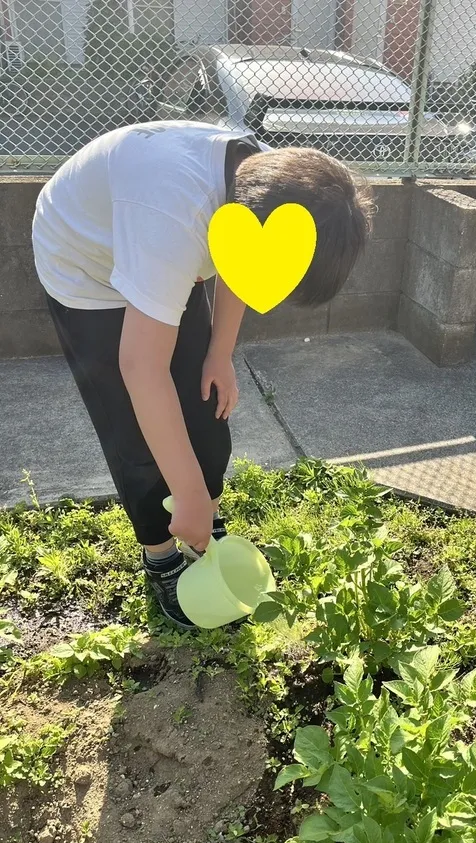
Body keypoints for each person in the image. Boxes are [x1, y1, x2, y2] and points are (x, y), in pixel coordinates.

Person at [32, 120, 373, 629]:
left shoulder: (268, 185)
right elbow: (140, 367)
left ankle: (201, 518)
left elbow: (245, 263)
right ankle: (162, 554)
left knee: (204, 408)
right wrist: (186, 494)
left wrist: (220, 352)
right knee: (133, 430)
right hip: (87, 267)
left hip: (156, 242)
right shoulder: (174, 217)